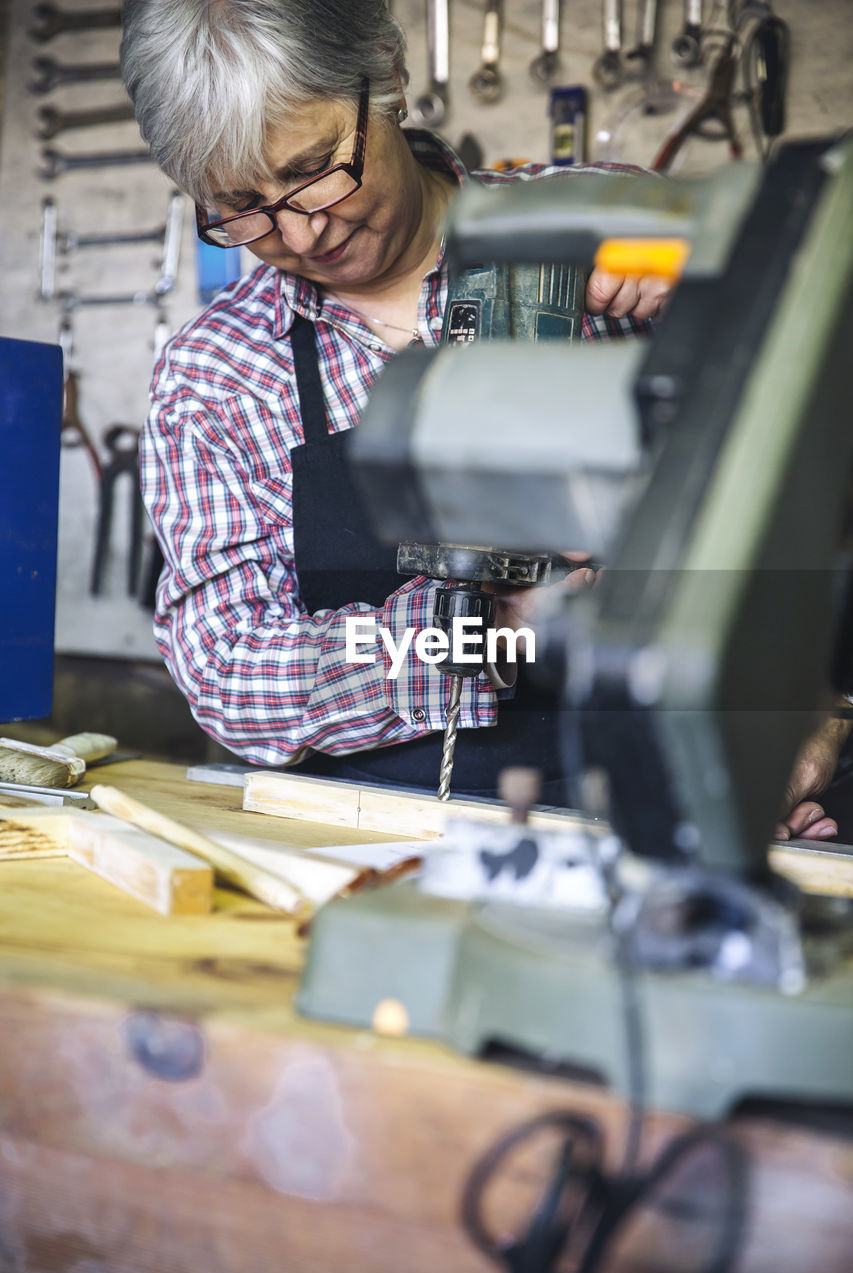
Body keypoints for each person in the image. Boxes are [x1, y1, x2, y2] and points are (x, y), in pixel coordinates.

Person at [122, 0, 836, 831]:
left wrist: (729, 300)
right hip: (376, 840)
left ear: (386, 80)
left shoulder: (613, 222)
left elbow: (818, 496)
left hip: (677, 803)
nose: (303, 229)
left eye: (315, 167)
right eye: (242, 206)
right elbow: (229, 673)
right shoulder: (216, 373)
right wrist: (479, 636)